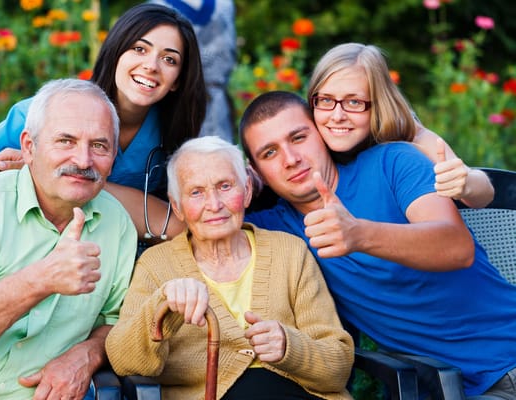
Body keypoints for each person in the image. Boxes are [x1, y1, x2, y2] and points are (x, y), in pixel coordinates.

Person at [239, 91, 516, 398]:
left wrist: (357, 234)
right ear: (255, 171)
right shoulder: (274, 228)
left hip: (509, 359)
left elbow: (456, 248)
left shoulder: (392, 162)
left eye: (299, 137)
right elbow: (191, 217)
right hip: (446, 389)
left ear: (321, 133)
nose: (290, 159)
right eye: (269, 153)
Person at [0, 79, 137, 400]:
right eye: (65, 140)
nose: (83, 160)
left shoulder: (116, 224)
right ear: (29, 147)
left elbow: (116, 321)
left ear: (113, 156)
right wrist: (43, 278)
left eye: (99, 146)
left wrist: (88, 354)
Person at [105, 136, 354, 400]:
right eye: (196, 192)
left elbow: (338, 366)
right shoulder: (156, 265)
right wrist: (162, 308)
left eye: (225, 186)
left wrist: (289, 347)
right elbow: (124, 361)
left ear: (246, 190)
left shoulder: (290, 252)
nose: (214, 205)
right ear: (177, 207)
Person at [0, 3, 207, 240]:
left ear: (178, 80)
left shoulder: (174, 131)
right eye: (139, 49)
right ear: (115, 53)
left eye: (169, 59)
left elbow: (180, 221)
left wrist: (49, 172)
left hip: (118, 248)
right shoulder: (47, 111)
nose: (151, 65)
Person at [306, 42, 494, 208]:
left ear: (380, 104)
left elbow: (483, 195)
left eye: (354, 102)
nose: (337, 116)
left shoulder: (410, 135)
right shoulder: (305, 137)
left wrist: (466, 183)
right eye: (325, 100)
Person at [149, 0, 237, 142]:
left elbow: (229, 53)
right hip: (175, 103)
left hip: (216, 103)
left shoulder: (225, 5)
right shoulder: (156, 7)